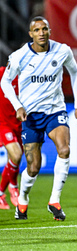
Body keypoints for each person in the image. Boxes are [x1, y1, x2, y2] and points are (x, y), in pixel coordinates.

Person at [0, 16, 77, 221]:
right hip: (30, 116)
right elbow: (5, 82)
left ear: (49, 31)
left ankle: (54, 200)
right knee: (33, 167)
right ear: (30, 34)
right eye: (37, 30)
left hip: (55, 111)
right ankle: (22, 199)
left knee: (64, 149)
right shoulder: (19, 56)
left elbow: (75, 74)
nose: (41, 33)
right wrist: (18, 105)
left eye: (44, 29)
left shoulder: (62, 50)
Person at [0, 66, 22, 209]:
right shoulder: (2, 73)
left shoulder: (29, 77)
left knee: (15, 159)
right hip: (2, 123)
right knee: (16, 154)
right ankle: (13, 186)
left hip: (19, 123)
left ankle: (1, 193)